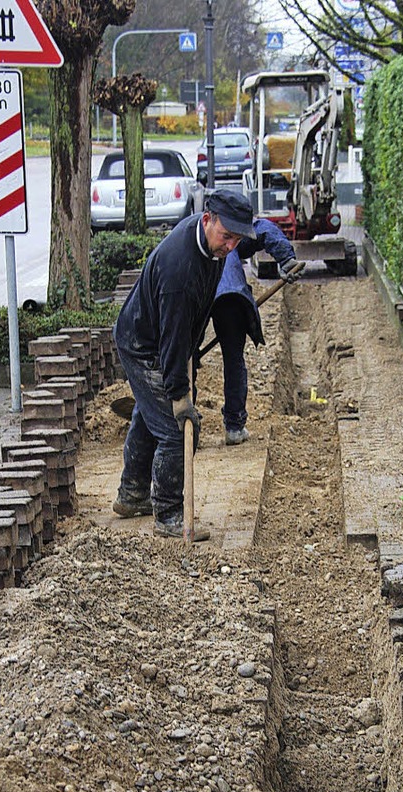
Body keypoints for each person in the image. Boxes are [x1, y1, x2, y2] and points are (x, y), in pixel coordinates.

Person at [112, 188, 257, 538]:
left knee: (151, 415)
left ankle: (131, 495)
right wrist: (179, 394)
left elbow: (189, 322)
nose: (231, 247)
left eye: (237, 239)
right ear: (207, 220)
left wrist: (188, 358)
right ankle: (169, 515)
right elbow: (171, 338)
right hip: (143, 344)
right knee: (176, 429)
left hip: (164, 338)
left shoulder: (211, 244)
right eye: (227, 237)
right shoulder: (180, 269)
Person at [211, 220, 300, 444]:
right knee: (233, 360)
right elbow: (261, 229)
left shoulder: (196, 236)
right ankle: (234, 426)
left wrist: (286, 260)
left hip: (204, 297)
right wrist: (286, 258)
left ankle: (184, 427)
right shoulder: (230, 234)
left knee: (186, 359)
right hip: (229, 297)